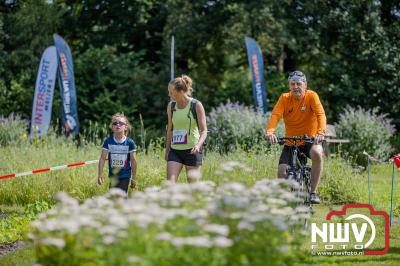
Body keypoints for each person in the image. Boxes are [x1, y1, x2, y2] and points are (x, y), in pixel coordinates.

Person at [265, 71, 326, 204]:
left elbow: (321, 114)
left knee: (317, 153)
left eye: (299, 84)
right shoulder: (284, 98)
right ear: (289, 86)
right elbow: (275, 115)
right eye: (293, 84)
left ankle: (313, 193)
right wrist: (270, 132)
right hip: (291, 141)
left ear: (305, 85)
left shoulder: (312, 96)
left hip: (310, 140)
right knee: (282, 172)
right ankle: (286, 201)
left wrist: (320, 133)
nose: (296, 87)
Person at [165, 75, 207, 183]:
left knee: (193, 188)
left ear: (180, 91)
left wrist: (198, 145)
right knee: (170, 185)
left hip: (192, 150)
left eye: (171, 92)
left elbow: (204, 131)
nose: (169, 94)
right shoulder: (171, 106)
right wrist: (167, 150)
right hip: (175, 151)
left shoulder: (196, 105)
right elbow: (170, 129)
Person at [98, 113, 137, 194]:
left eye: (120, 123)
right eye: (115, 123)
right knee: (113, 197)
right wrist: (100, 174)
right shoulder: (108, 141)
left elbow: (133, 161)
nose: (117, 125)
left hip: (125, 175)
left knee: (120, 196)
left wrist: (134, 178)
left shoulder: (130, 142)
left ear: (125, 127)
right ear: (112, 127)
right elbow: (102, 158)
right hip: (113, 176)